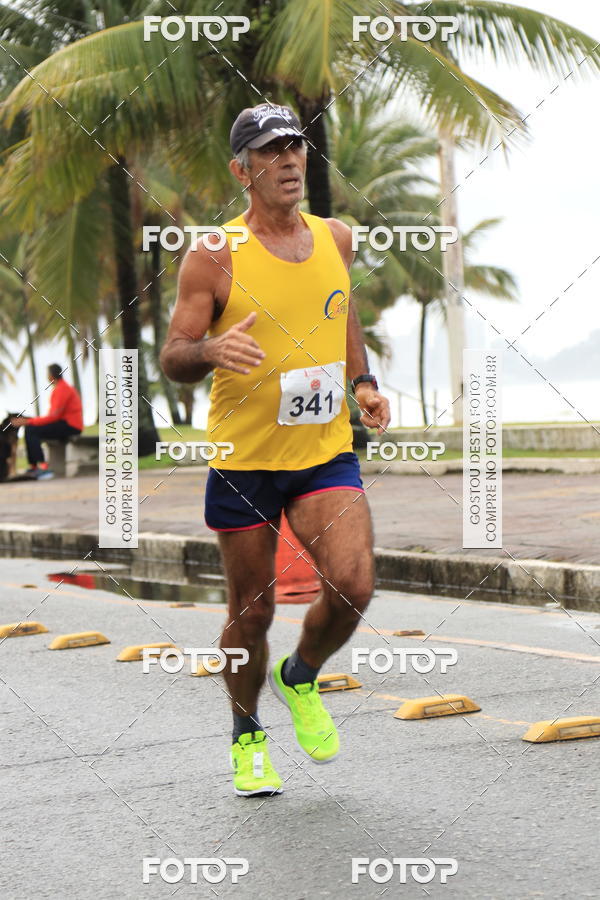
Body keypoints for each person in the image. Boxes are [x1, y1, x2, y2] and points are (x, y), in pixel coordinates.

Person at [161, 103, 390, 797]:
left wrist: (363, 381)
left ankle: (300, 677)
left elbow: (341, 308)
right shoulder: (214, 254)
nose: (289, 160)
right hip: (245, 459)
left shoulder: (336, 238)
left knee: (353, 586)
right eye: (270, 151)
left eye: (295, 146)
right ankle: (247, 735)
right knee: (252, 611)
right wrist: (210, 349)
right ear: (242, 170)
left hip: (323, 452)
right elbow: (173, 355)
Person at [11, 364, 83, 479]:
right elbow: (52, 417)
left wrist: (29, 421)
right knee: (31, 427)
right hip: (66, 424)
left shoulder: (62, 389)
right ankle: (34, 467)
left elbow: (53, 417)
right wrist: (30, 421)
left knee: (31, 429)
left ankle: (42, 468)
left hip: (70, 426)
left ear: (50, 376)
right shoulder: (61, 388)